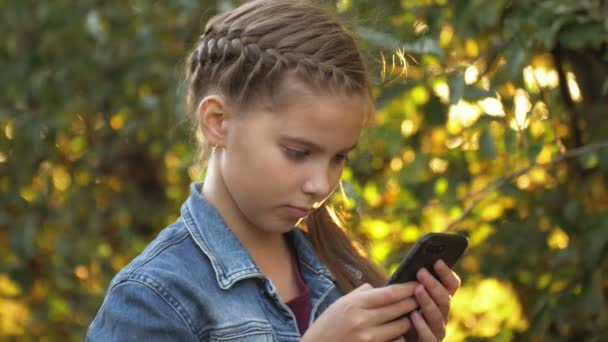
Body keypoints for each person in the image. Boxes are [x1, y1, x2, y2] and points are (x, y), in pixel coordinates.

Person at [86, 0, 461, 341]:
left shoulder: (342, 271)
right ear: (217, 122)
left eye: (339, 158)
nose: (322, 184)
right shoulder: (152, 296)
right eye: (297, 152)